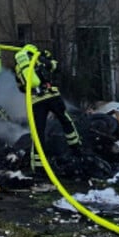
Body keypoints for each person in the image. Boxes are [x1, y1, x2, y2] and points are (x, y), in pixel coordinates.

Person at [14, 44, 81, 173]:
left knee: (38, 133)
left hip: (36, 101)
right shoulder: (39, 59)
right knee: (65, 120)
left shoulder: (19, 67)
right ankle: (76, 149)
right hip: (52, 96)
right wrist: (48, 59)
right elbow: (56, 68)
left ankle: (38, 167)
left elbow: (21, 88)